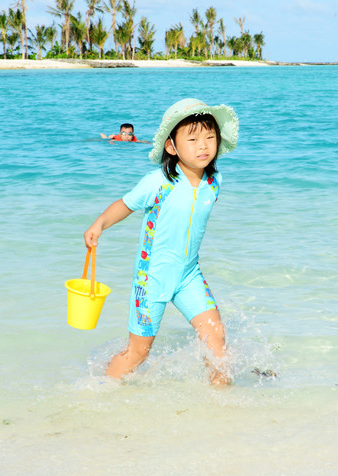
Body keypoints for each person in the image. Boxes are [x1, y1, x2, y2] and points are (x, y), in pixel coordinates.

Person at [84, 98, 239, 385]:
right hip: (151, 278)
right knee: (138, 353)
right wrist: (99, 224)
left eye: (209, 137)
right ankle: (98, 389)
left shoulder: (213, 181)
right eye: (192, 139)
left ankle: (221, 403)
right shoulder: (157, 182)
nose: (203, 145)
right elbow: (125, 204)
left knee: (216, 338)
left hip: (189, 275)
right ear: (172, 147)